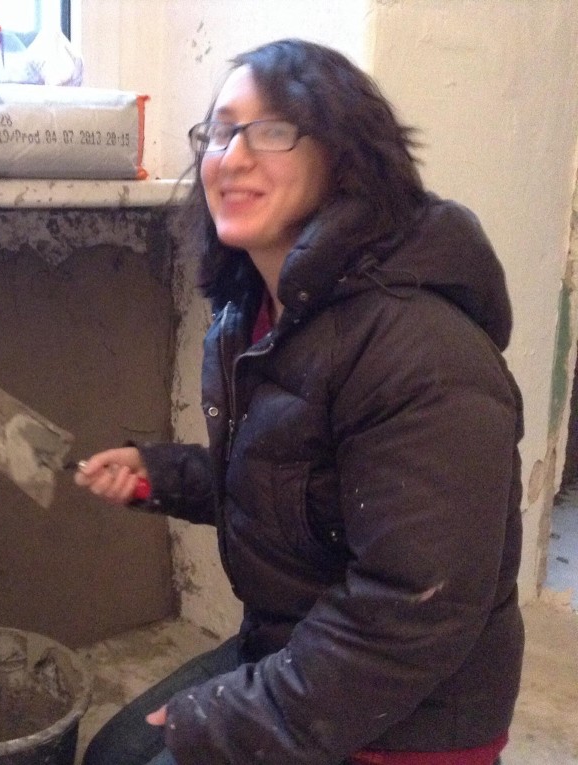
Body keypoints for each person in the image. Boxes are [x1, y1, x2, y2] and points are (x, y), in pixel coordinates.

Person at [74, 38, 523, 765]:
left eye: (274, 129)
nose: (232, 157)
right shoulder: (252, 316)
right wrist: (158, 472)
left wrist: (221, 716)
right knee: (113, 753)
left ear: (346, 156)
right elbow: (290, 483)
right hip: (297, 645)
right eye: (221, 131)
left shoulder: (421, 351)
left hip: (411, 716)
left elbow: (411, 614)